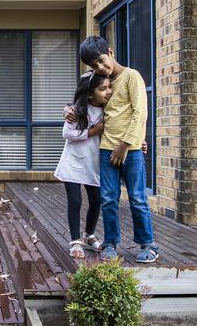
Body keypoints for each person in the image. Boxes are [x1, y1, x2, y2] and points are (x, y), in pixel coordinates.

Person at [66, 35, 160, 263]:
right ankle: (111, 243)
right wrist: (66, 109)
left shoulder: (131, 77)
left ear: (110, 52)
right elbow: (81, 96)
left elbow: (140, 114)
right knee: (108, 198)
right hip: (107, 149)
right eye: (94, 65)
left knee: (137, 197)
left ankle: (148, 244)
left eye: (101, 60)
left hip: (131, 150)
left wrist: (126, 144)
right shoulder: (98, 80)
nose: (100, 67)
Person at [54, 71, 111, 259]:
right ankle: (75, 241)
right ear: (89, 93)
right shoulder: (77, 110)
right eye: (103, 88)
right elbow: (67, 134)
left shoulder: (109, 109)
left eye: (109, 87)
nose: (108, 91)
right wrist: (94, 130)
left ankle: (89, 235)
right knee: (76, 201)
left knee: (96, 200)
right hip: (73, 162)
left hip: (93, 162)